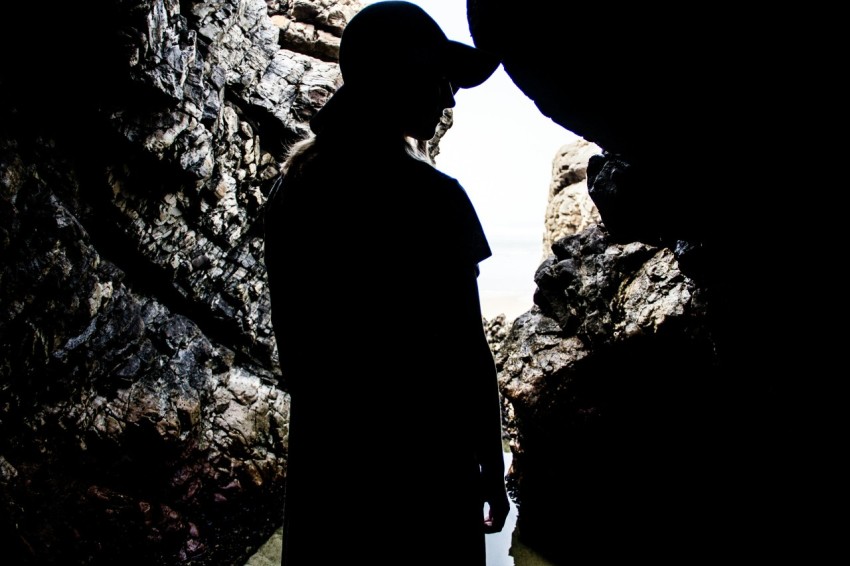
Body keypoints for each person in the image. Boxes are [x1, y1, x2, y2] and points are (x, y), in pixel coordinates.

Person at [263, 2, 509, 564]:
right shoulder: (433, 198)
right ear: (403, 80)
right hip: (426, 484)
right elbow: (469, 354)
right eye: (441, 80)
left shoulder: (292, 194)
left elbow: (297, 357)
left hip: (329, 486)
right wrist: (490, 469)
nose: (449, 98)